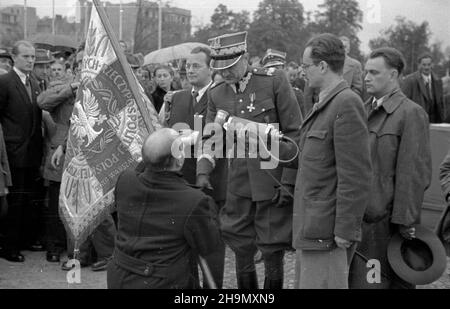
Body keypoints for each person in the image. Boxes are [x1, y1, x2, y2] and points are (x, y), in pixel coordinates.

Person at [197, 31, 302, 289]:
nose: (226, 74)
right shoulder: (217, 93)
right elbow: (210, 139)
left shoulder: (273, 81)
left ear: (244, 57)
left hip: (273, 179)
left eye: (230, 67)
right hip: (239, 182)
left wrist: (288, 181)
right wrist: (202, 172)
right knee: (240, 243)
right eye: (220, 69)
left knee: (272, 245)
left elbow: (294, 132)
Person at [290, 33, 372, 289]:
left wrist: (345, 230)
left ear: (323, 66)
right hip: (312, 226)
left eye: (306, 66)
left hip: (327, 233)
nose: (303, 72)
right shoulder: (325, 102)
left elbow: (355, 175)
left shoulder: (346, 103)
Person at [348, 47, 432, 289]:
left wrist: (405, 223)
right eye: (365, 72)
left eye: (374, 72)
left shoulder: (411, 114)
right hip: (361, 219)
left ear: (394, 75)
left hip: (387, 224)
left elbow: (414, 174)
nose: (366, 78)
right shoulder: (363, 109)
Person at [107, 128, 221, 289]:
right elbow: (209, 245)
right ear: (179, 160)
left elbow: (145, 163)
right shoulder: (194, 200)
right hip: (163, 283)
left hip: (120, 276)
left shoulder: (125, 180)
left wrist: (160, 146)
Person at [166, 46, 227, 288]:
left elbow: (218, 139)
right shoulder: (179, 97)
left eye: (196, 66)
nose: (190, 70)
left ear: (211, 68)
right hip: (181, 182)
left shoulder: (221, 96)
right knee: (184, 245)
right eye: (188, 66)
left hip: (210, 182)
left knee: (211, 243)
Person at [0, 40, 43, 262]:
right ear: (14, 58)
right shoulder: (5, 82)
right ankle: (9, 247)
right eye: (26, 56)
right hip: (13, 151)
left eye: (33, 57)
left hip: (32, 152)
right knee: (14, 203)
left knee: (27, 201)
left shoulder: (35, 83)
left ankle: (23, 241)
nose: (30, 60)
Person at [401, 53, 445, 123]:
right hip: (416, 122)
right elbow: (403, 103)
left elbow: (441, 104)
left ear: (432, 65)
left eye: (429, 64)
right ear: (419, 65)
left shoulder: (438, 81)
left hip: (435, 123)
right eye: (424, 65)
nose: (426, 67)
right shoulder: (409, 80)